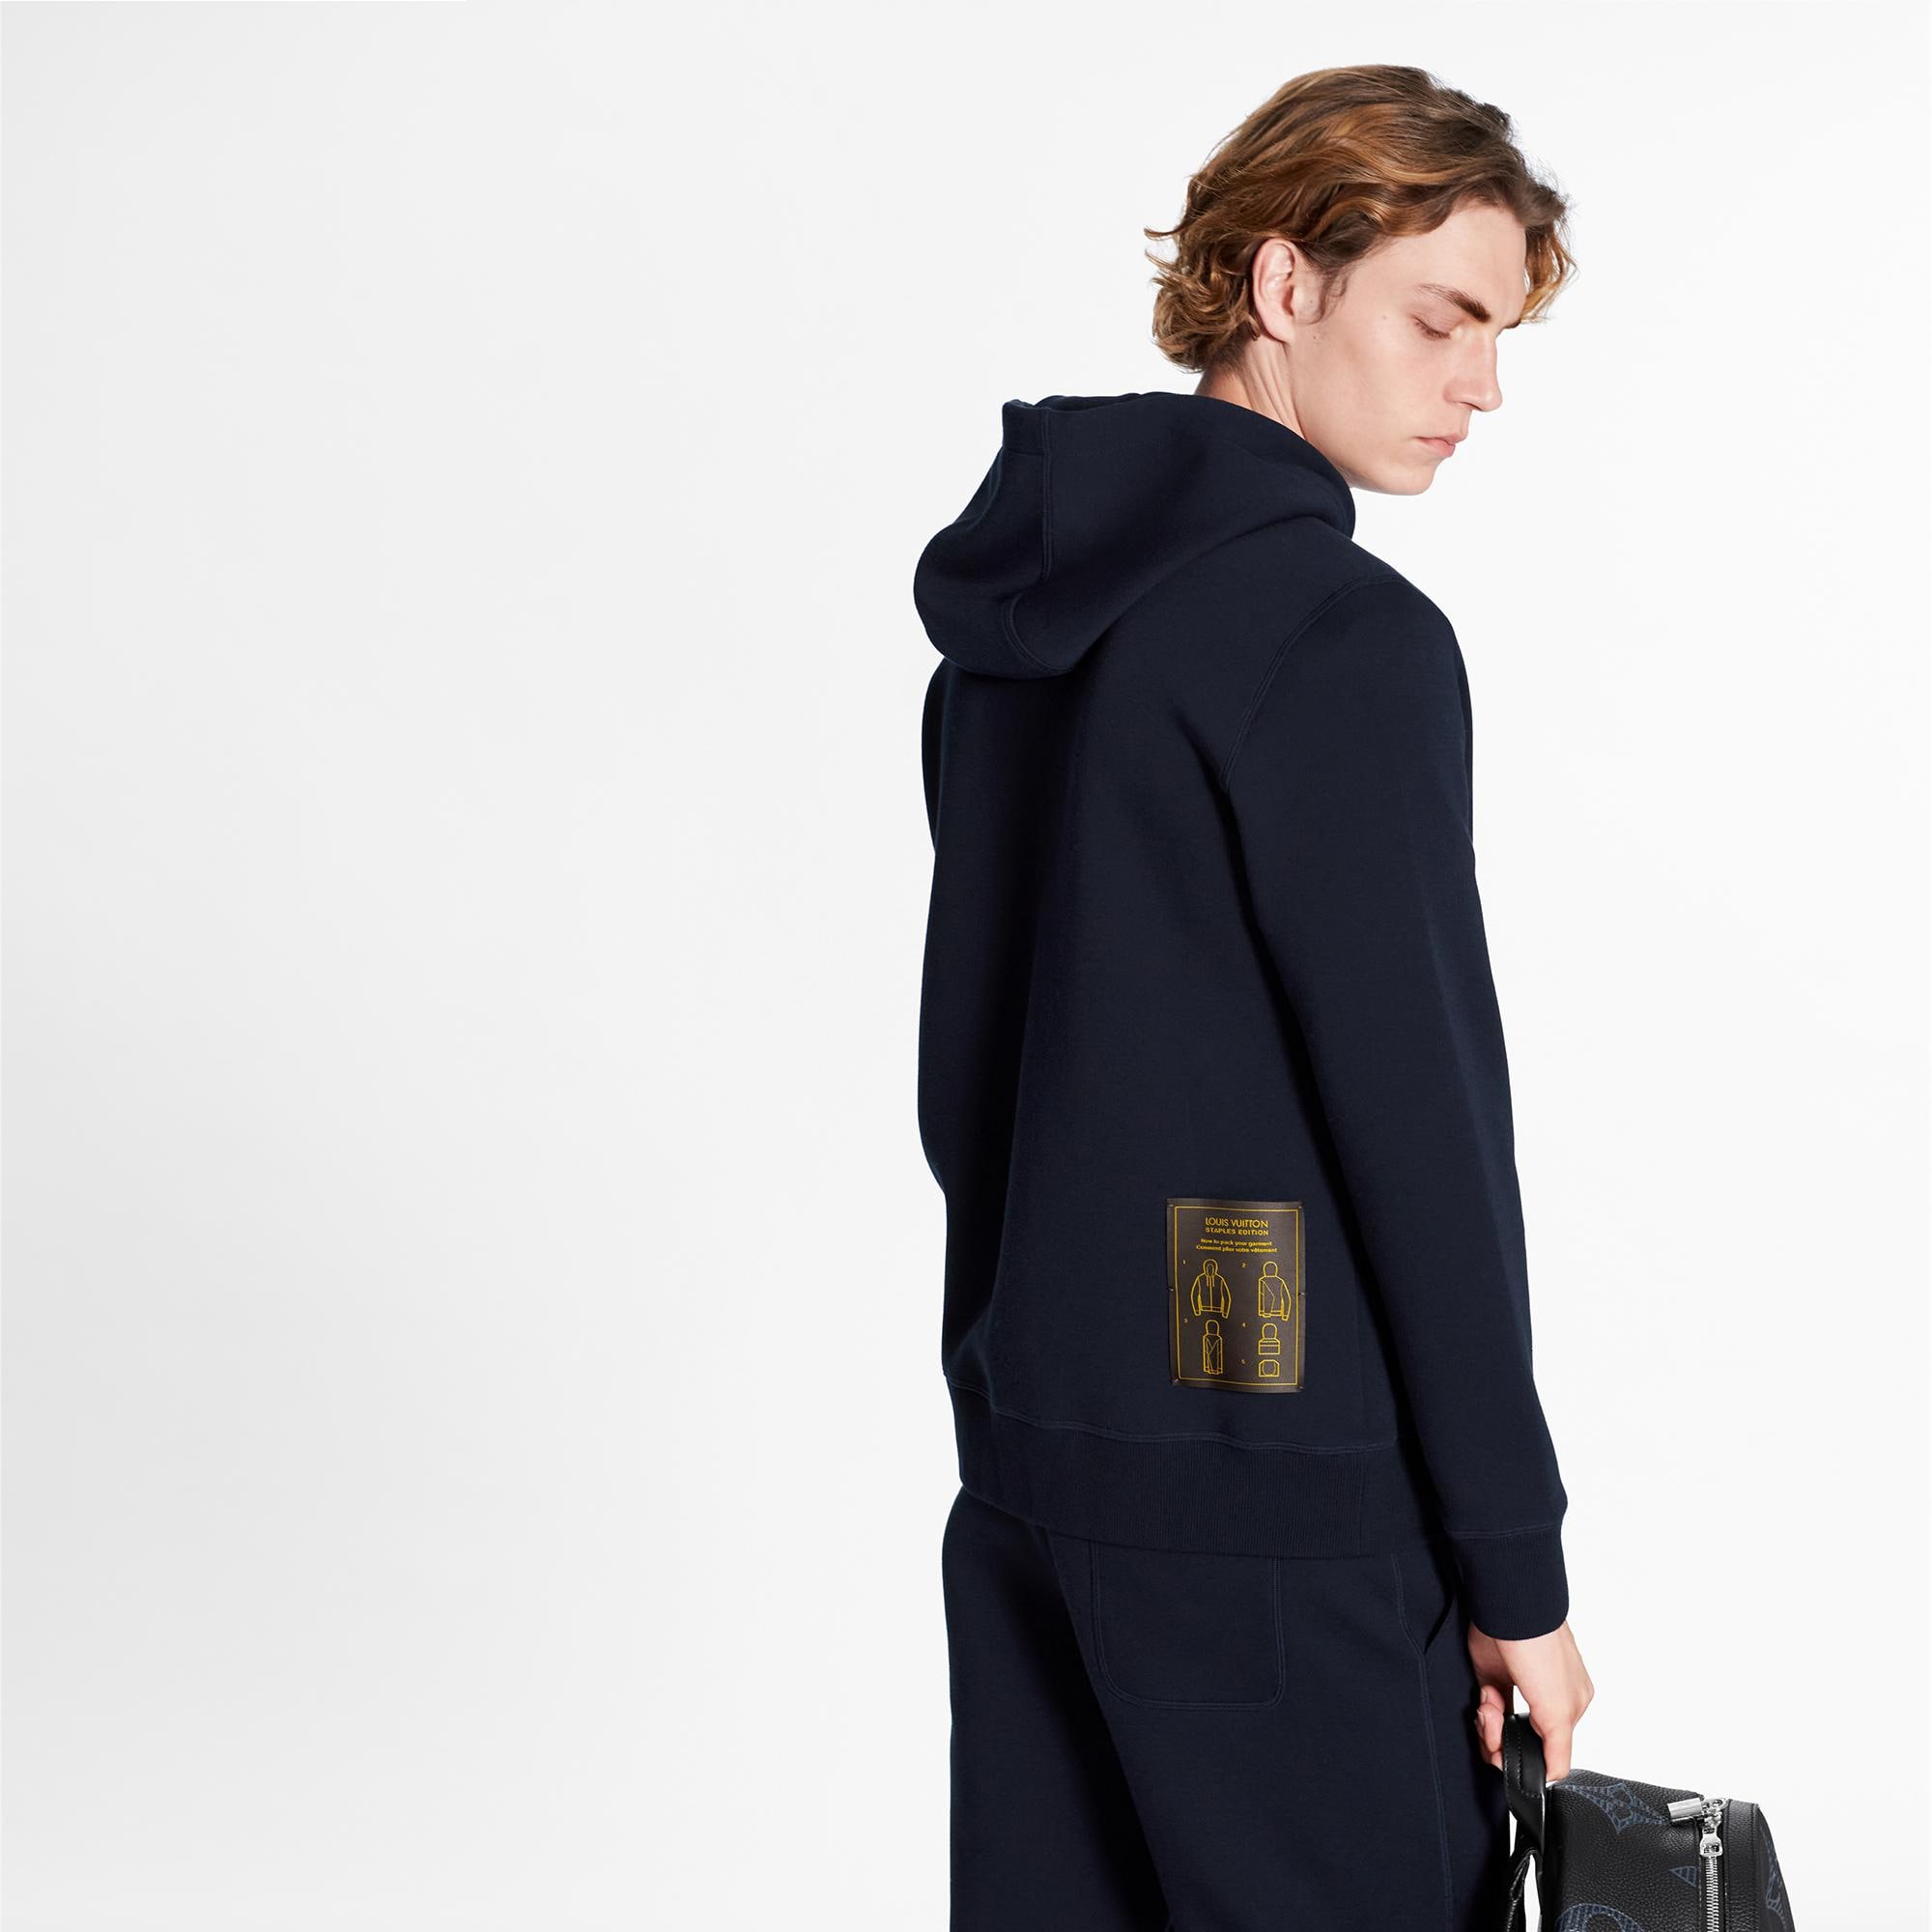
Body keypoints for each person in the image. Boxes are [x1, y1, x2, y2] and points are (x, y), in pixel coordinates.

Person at [912, 63, 1596, 1932]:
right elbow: (1420, 1129)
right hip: (1283, 1515)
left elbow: (968, 1081)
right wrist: (1516, 1572)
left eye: (1500, 334)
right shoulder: (1341, 639)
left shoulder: (1010, 637)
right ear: (1285, 286)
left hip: (1032, 1479)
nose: (1481, 386)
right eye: (1442, 319)